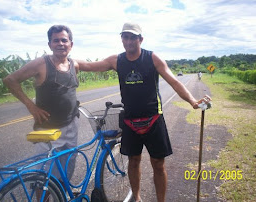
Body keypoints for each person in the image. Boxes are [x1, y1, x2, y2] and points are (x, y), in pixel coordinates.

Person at [77, 22, 211, 202]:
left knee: (158, 164)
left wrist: (193, 101)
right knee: (133, 161)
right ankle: (137, 198)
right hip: (130, 121)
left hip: (154, 118)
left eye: (133, 37)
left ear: (141, 39)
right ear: (122, 39)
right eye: (125, 37)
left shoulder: (152, 58)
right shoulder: (116, 60)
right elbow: (89, 66)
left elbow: (174, 81)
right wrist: (64, 60)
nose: (129, 41)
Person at [3, 25, 80, 181]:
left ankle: (61, 196)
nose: (60, 43)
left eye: (64, 40)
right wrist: (32, 107)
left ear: (71, 44)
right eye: (56, 40)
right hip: (47, 129)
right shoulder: (41, 64)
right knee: (43, 177)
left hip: (71, 126)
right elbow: (10, 80)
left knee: (66, 168)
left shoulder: (74, 65)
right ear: (50, 45)